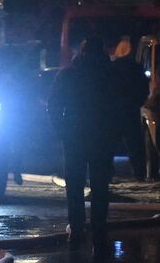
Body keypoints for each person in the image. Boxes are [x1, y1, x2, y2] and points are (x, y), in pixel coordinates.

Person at [48, 36, 118, 247]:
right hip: (102, 136)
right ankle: (99, 225)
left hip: (74, 136)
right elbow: (121, 106)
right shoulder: (110, 74)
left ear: (82, 52)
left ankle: (77, 226)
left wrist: (61, 130)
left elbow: (53, 105)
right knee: (100, 183)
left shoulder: (68, 74)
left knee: (75, 183)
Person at [110, 37, 149, 179]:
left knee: (109, 146)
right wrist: (137, 102)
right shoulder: (136, 68)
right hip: (130, 111)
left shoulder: (111, 67)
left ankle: (107, 175)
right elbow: (144, 89)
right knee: (135, 147)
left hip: (113, 112)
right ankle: (139, 175)